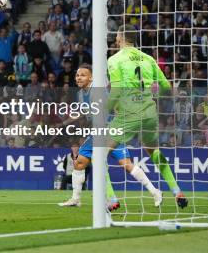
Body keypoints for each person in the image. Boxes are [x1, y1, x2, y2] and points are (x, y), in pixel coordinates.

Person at [58, 63, 161, 210]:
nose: (79, 78)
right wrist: (65, 122)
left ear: (91, 77)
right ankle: (76, 199)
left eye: (83, 75)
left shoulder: (98, 91)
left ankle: (142, 194)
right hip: (98, 132)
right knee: (79, 163)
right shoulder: (81, 94)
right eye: (77, 75)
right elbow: (84, 112)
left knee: (122, 164)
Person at [107, 24, 188, 208]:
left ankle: (111, 200)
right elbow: (167, 87)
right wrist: (152, 99)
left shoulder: (115, 59)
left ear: (119, 38)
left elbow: (117, 90)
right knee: (153, 152)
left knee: (97, 153)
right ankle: (177, 191)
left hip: (129, 113)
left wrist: (104, 109)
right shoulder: (149, 59)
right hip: (150, 113)